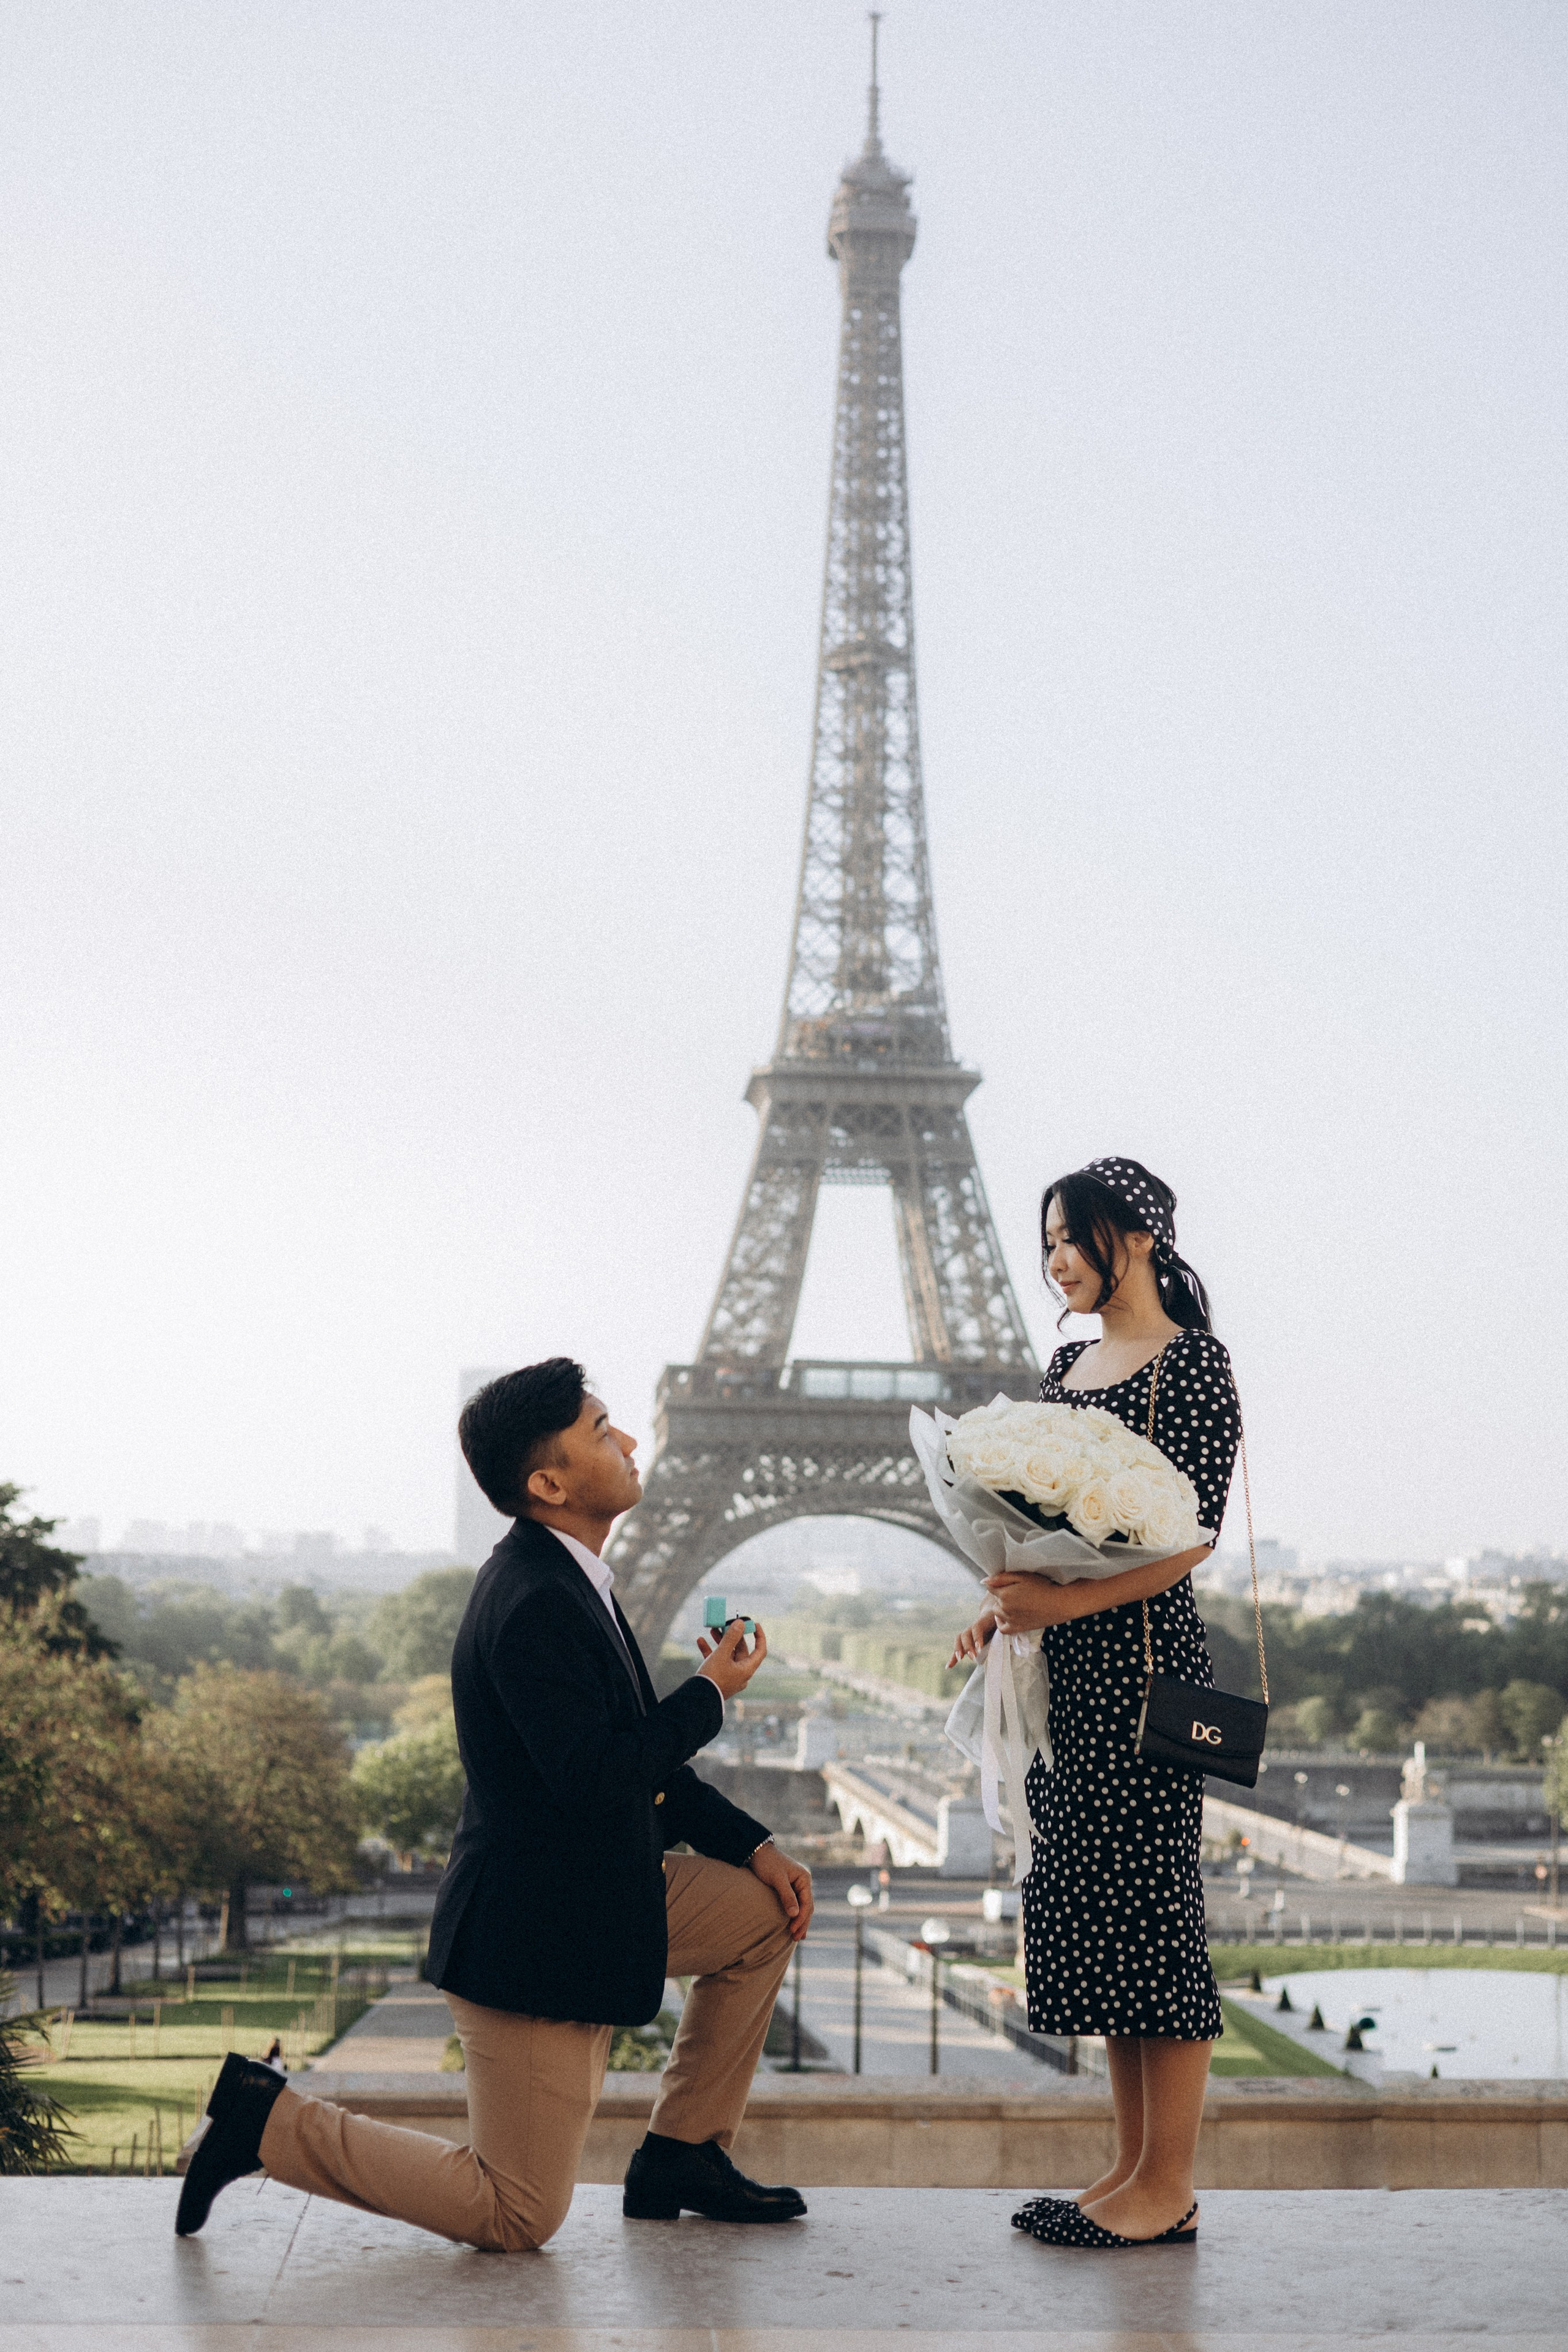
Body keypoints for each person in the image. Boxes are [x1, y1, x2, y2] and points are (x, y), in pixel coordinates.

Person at [176, 1356, 814, 2249]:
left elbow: (645, 1771)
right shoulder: (535, 1602)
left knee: (767, 1911)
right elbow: (598, 1776)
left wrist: (755, 1847)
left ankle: (684, 2153)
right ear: (549, 1483)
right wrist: (709, 1694)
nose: (633, 1440)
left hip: (598, 1892)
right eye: (602, 1431)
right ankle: (266, 2121)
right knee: (516, 2212)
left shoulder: (569, 1581)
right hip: (536, 1933)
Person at [949, 1158, 1240, 2250]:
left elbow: (1193, 1539)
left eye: (1075, 1237)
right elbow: (1045, 1535)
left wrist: (1059, 1606)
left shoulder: (1194, 1365)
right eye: (1049, 1243)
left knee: (1155, 1916)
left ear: (1142, 1235)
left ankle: (1169, 2186)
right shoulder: (1069, 1363)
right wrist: (1002, 1610)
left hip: (1146, 1675)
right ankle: (1128, 2170)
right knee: (1100, 1918)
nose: (1057, 1260)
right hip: (1064, 1673)